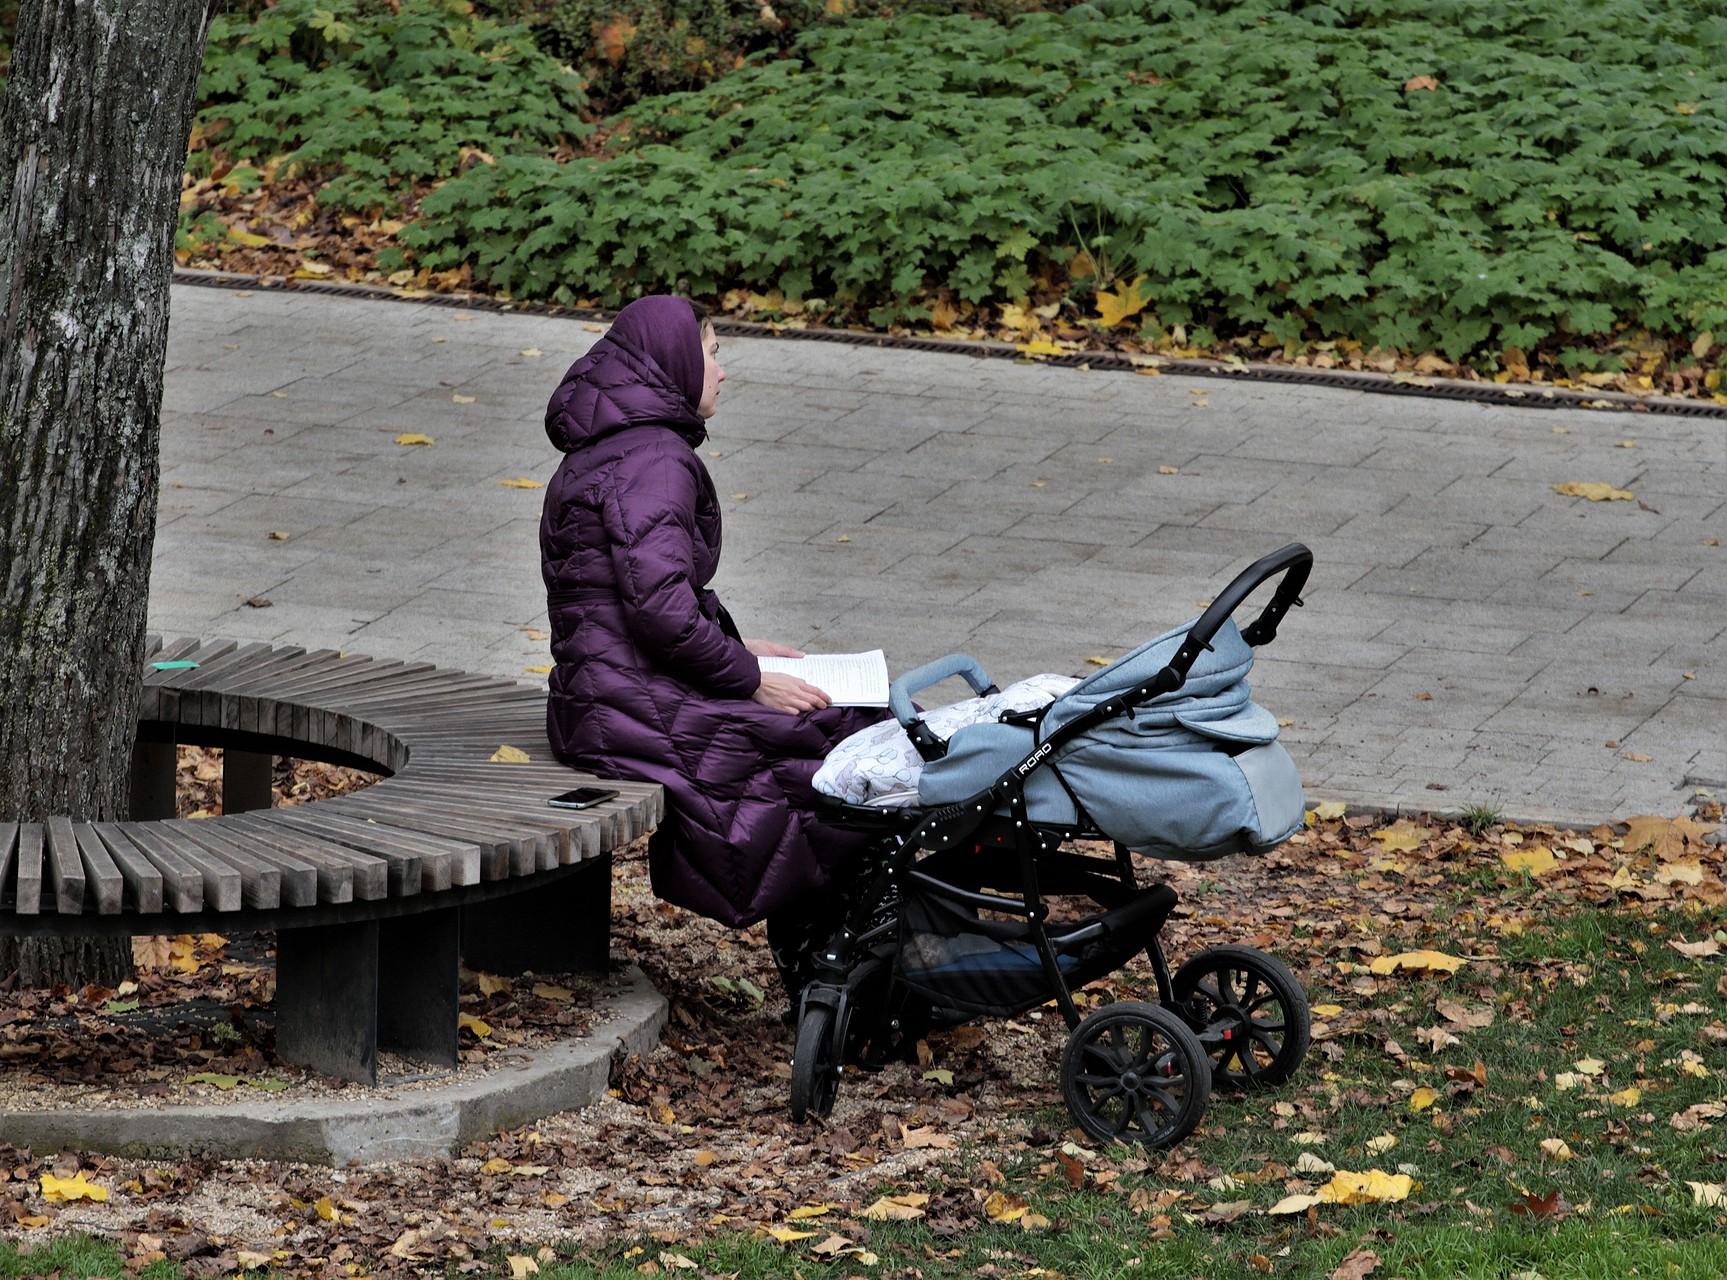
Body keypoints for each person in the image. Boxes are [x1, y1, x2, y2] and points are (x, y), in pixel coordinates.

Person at [540, 295, 886, 999]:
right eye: (713, 351)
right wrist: (748, 677)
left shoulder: (616, 445)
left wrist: (731, 640)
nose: (723, 372)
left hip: (599, 696)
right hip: (628, 705)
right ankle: (848, 963)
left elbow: (632, 596)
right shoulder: (653, 458)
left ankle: (840, 949)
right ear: (672, 362)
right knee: (844, 745)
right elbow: (657, 611)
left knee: (832, 731)